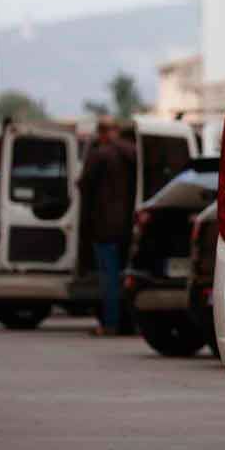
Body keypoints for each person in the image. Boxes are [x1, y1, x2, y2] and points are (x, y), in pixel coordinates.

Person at [79, 117, 136, 336]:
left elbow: (84, 186)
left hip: (104, 227)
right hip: (130, 228)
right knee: (127, 278)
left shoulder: (100, 155)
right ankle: (130, 323)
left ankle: (110, 324)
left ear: (102, 133)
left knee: (109, 279)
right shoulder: (134, 153)